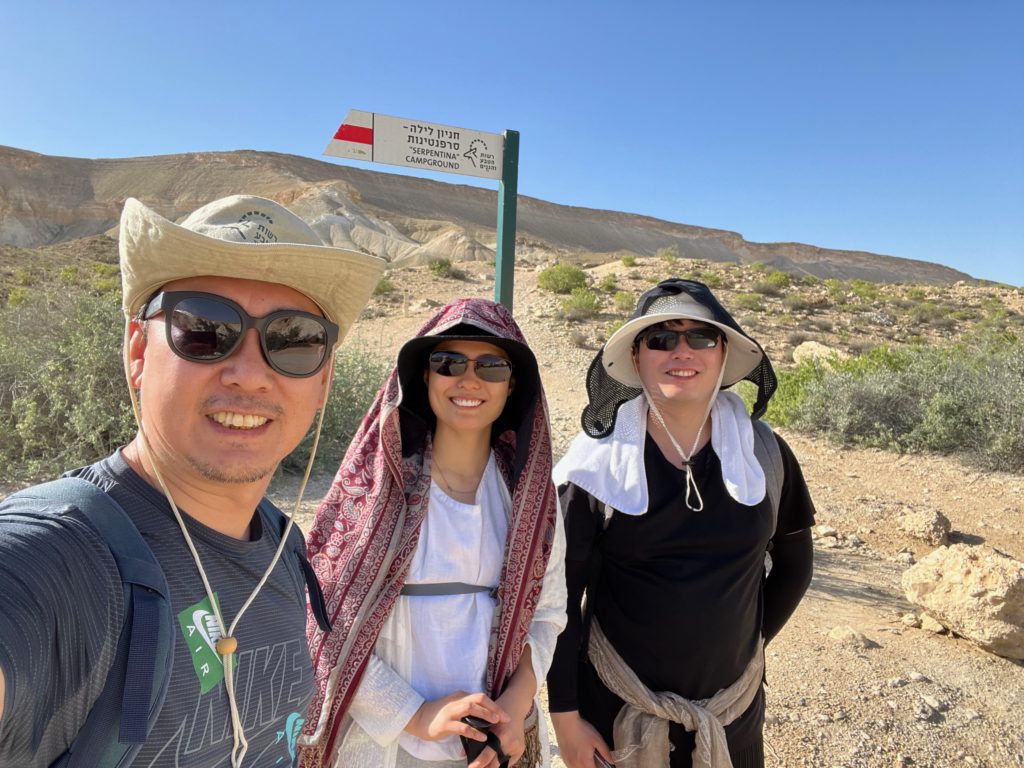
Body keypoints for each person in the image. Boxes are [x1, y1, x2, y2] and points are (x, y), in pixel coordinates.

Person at [0, 195, 384, 768]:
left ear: (323, 379)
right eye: (205, 329)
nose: (250, 374)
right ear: (138, 352)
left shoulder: (283, 546)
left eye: (293, 340)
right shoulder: (60, 556)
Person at [546, 278, 816, 768]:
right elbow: (559, 598)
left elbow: (795, 564)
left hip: (733, 718)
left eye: (702, 337)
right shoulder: (594, 468)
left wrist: (749, 643)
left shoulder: (764, 455)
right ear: (636, 357)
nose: (682, 351)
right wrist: (565, 719)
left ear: (723, 352)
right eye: (662, 338)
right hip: (616, 715)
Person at [300, 298, 567, 768]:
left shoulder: (530, 499)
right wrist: (414, 714)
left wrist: (515, 703)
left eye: (491, 366)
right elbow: (323, 621)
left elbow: (546, 615)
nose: (469, 380)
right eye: (449, 363)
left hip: (493, 746)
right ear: (425, 376)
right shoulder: (377, 487)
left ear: (512, 385)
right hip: (384, 748)